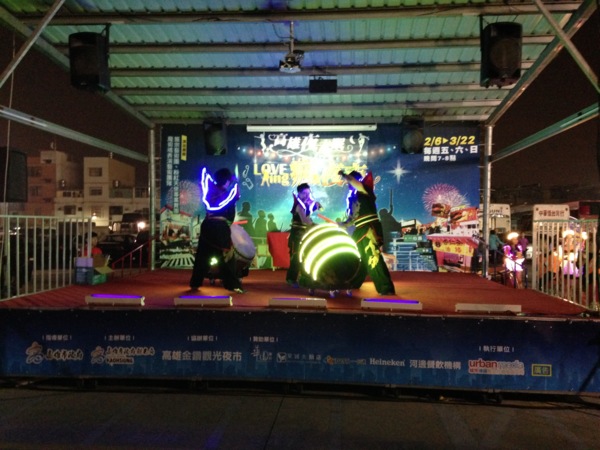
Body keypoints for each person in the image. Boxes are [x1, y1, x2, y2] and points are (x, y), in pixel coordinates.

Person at [338, 170, 395, 295]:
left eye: (350, 180)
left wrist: (345, 175)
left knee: (372, 257)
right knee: (360, 258)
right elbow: (351, 219)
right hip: (359, 230)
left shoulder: (365, 189)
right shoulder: (352, 199)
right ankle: (354, 282)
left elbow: (355, 183)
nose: (348, 183)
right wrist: (342, 224)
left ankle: (386, 288)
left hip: (369, 228)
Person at [189, 167, 244, 293]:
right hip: (219, 228)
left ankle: (195, 283)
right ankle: (233, 285)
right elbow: (229, 213)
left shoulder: (211, 190)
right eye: (229, 181)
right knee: (226, 257)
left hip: (207, 226)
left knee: (202, 256)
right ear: (226, 181)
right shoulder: (227, 195)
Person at [286, 183, 321, 287]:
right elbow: (305, 220)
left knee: (305, 257)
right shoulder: (298, 206)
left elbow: (308, 215)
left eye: (308, 193)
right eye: (304, 193)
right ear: (299, 194)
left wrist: (315, 206)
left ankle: (303, 278)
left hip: (304, 235)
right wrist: (315, 225)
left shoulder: (305, 205)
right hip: (296, 235)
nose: (307, 195)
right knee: (296, 257)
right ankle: (291, 279)